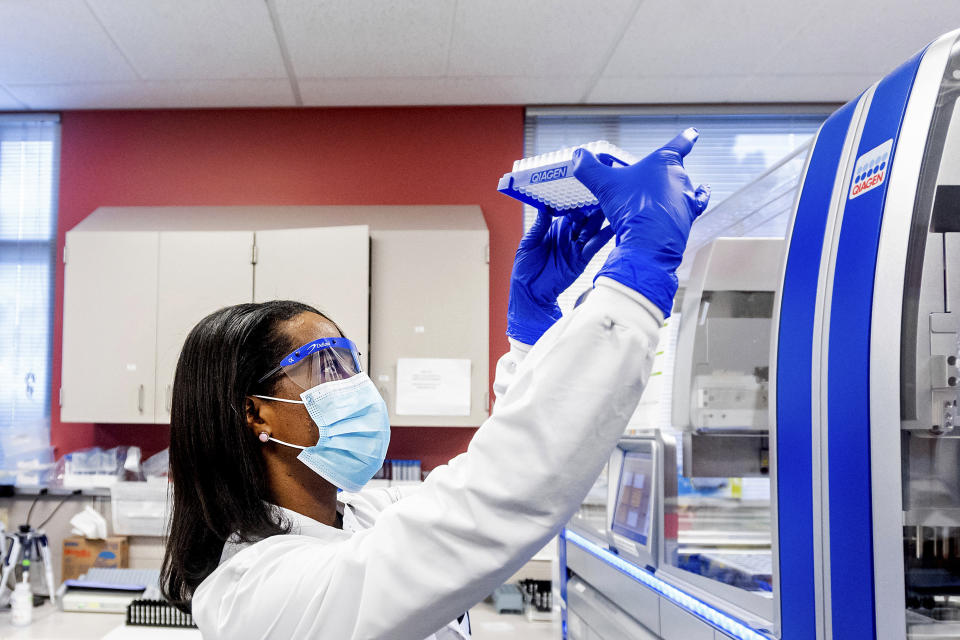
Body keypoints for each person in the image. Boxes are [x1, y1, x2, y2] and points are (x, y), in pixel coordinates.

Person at [160, 129, 709, 640]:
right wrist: (638, 273)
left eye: (352, 361)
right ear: (255, 413)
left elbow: (496, 475)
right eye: (326, 365)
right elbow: (496, 500)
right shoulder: (257, 593)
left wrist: (534, 333)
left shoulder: (359, 514)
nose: (356, 384)